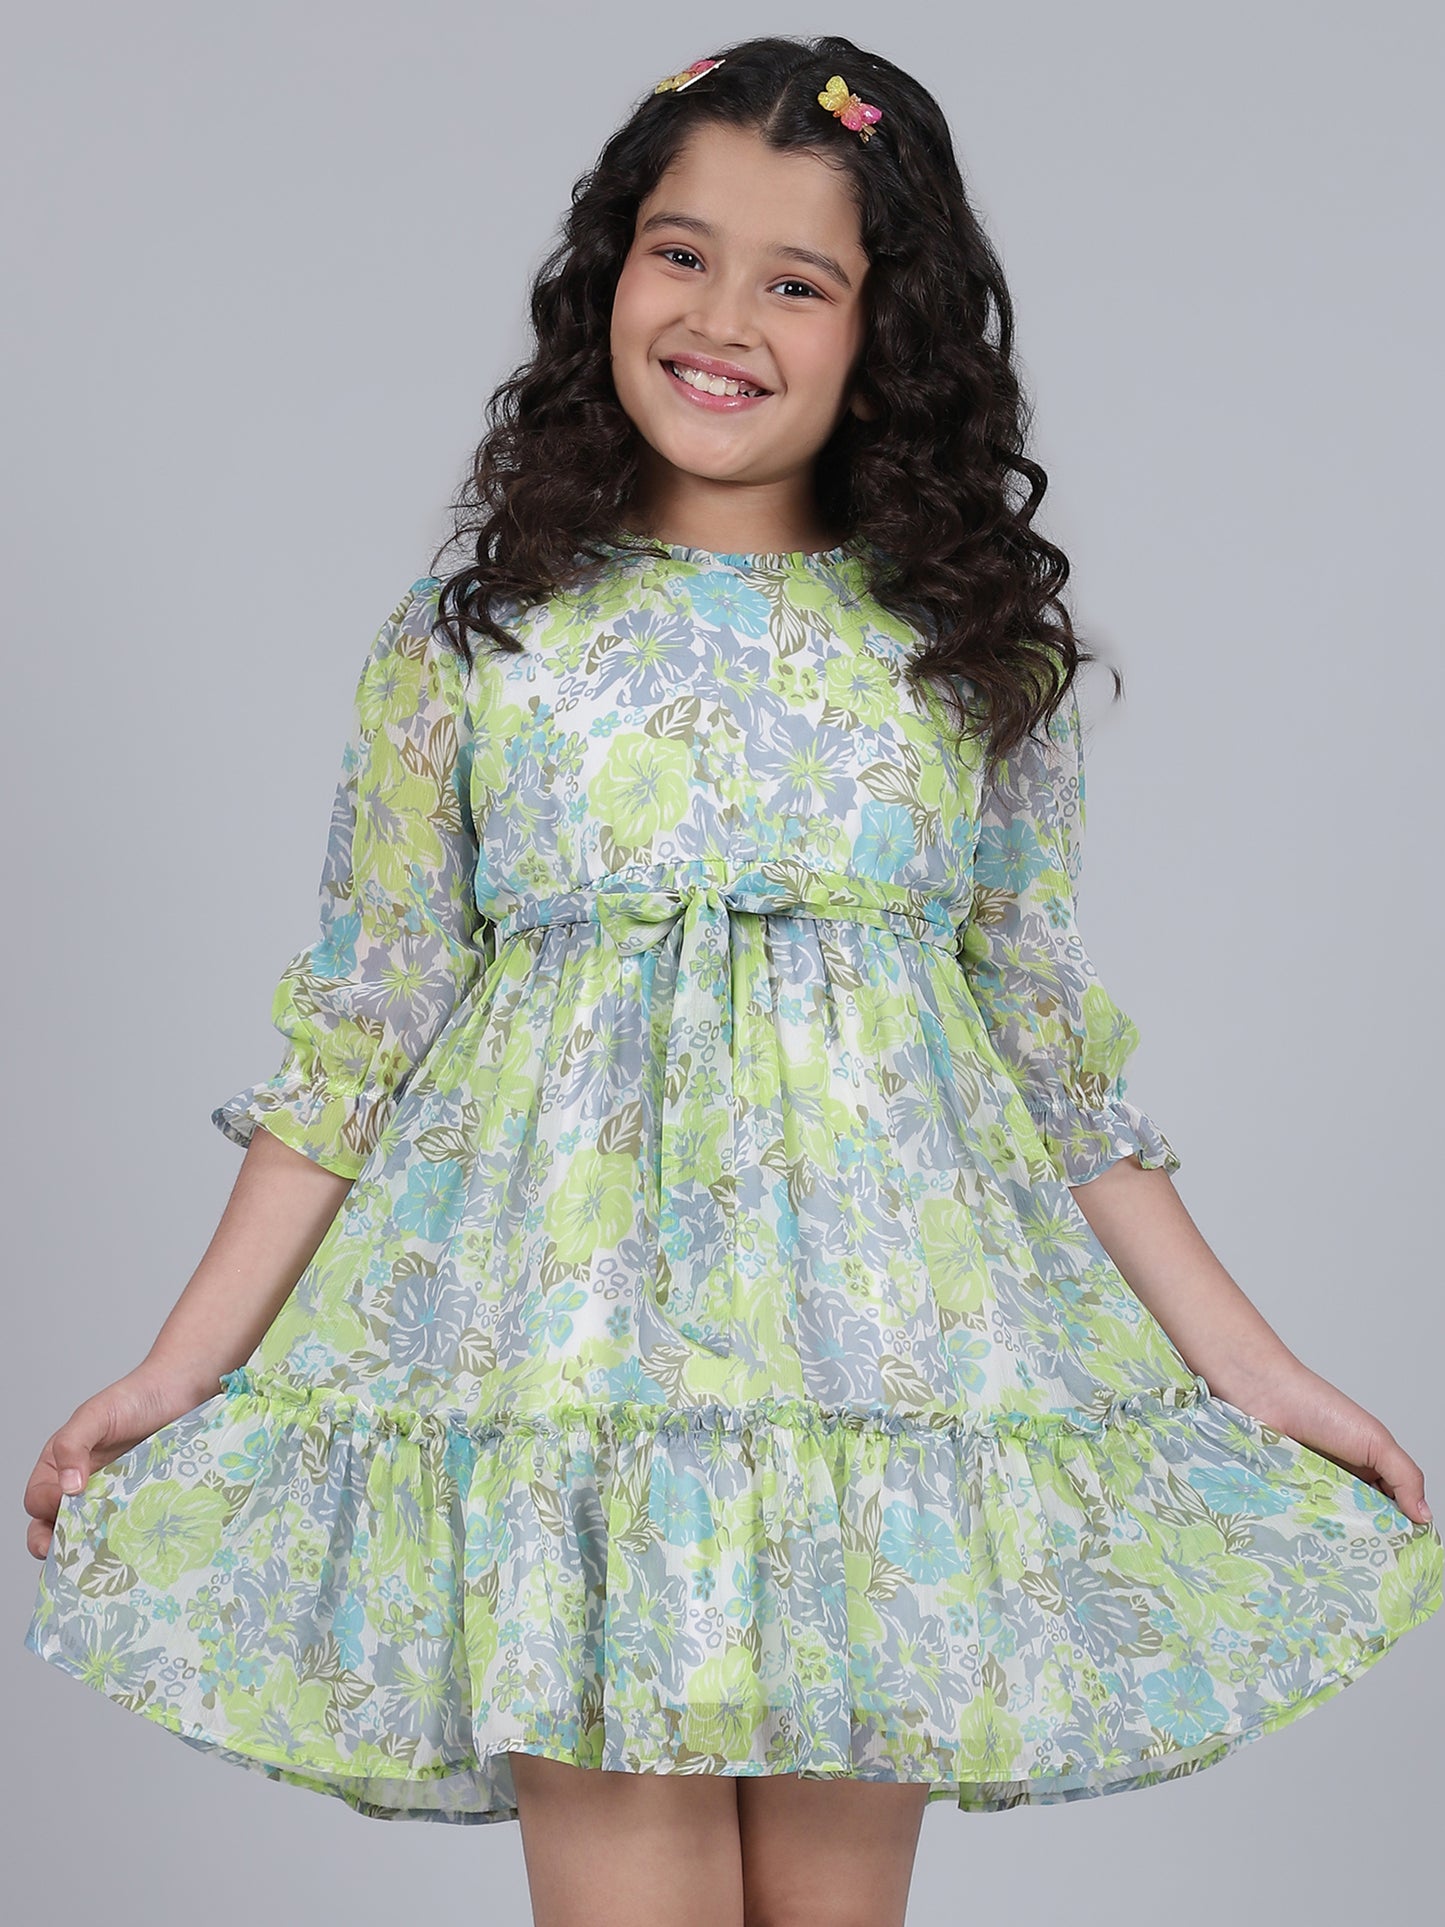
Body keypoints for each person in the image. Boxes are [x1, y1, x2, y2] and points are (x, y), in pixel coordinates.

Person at [22, 32, 1442, 1927]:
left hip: (880, 1394)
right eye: (680, 254)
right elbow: (361, 1032)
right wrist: (176, 1371)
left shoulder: (964, 662)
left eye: (797, 281)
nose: (720, 319)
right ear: (608, 272)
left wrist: (1252, 1374)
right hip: (567, 1388)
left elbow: (1047, 1058)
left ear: (882, 335)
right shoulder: (480, 645)